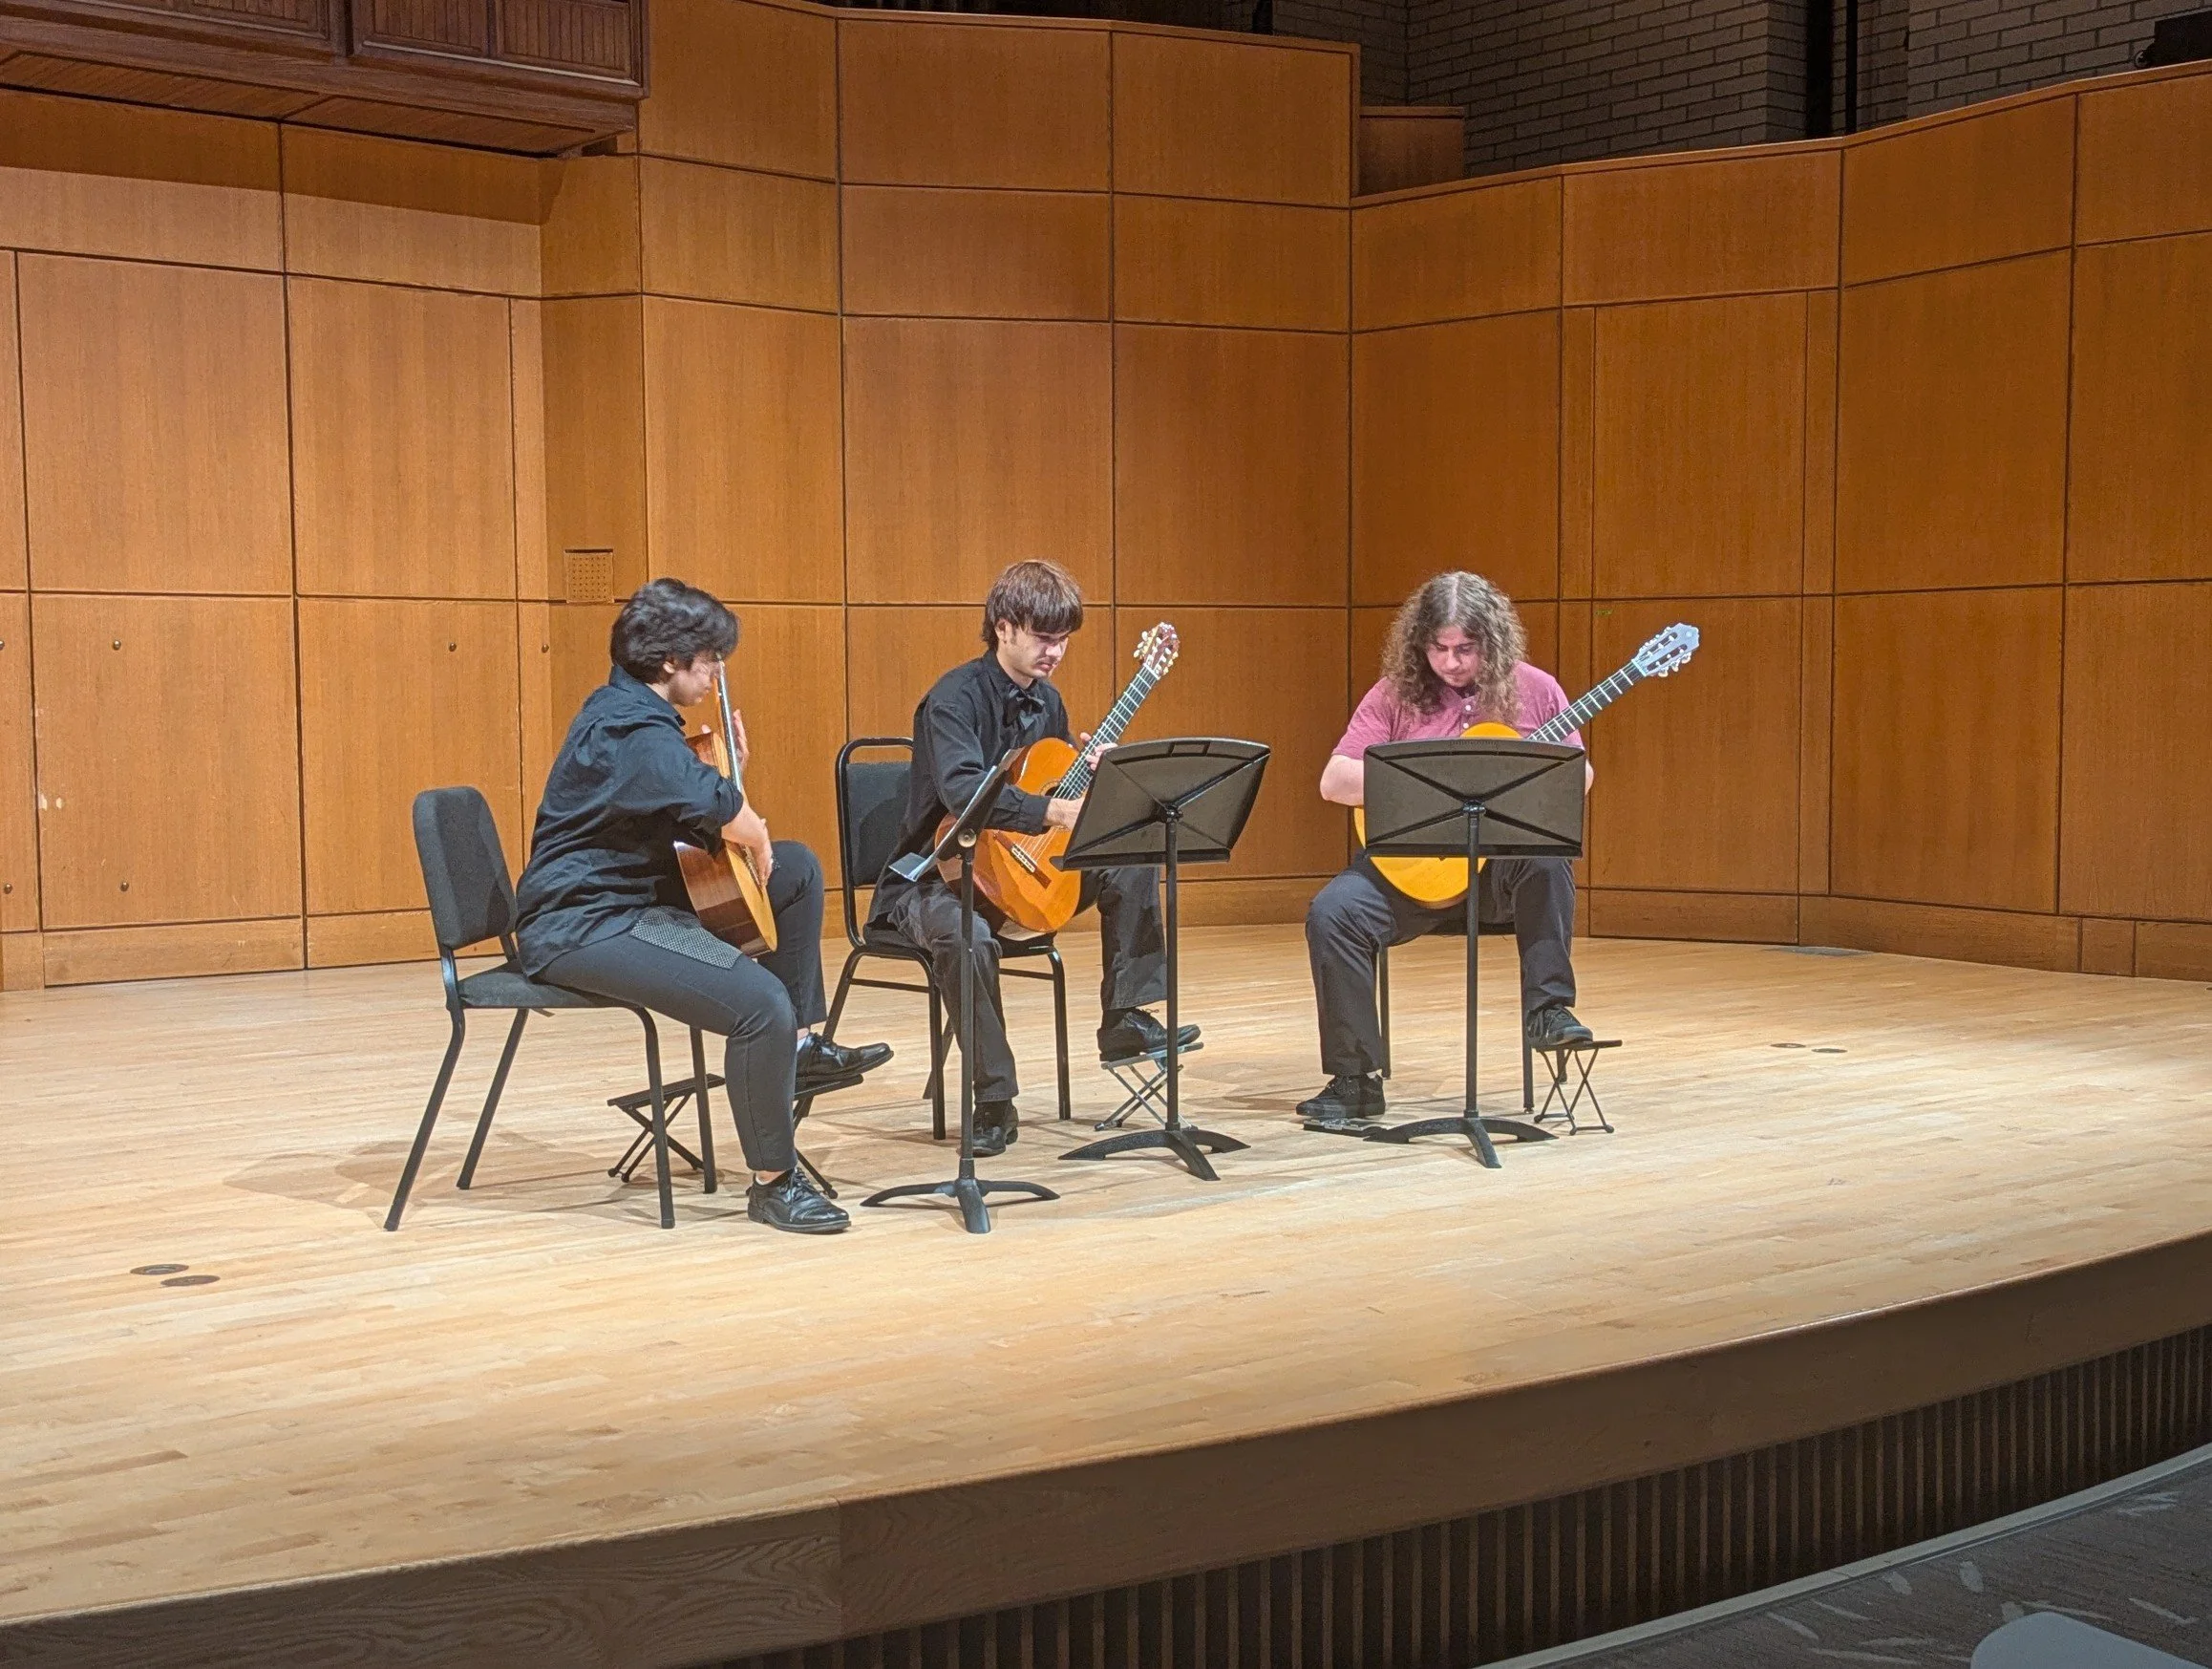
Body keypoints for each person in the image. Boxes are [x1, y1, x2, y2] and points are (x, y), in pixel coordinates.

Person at [515, 578, 890, 1233]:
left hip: (633, 896)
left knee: (797, 871)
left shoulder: (635, 714)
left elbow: (696, 808)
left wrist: (734, 788)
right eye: (709, 659)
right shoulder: (630, 729)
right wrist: (749, 817)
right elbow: (726, 815)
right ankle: (774, 1184)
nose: (717, 673)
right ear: (670, 661)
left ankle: (798, 1049)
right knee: (756, 1005)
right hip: (584, 923)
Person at [869, 559, 1193, 1157]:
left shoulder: (1049, 702)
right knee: (967, 936)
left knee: (1133, 853)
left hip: (1022, 872)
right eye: (1045, 638)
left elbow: (1056, 788)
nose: (1056, 652)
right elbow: (965, 795)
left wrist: (1093, 777)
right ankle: (994, 1095)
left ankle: (1124, 1017)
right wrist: (1051, 813)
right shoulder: (951, 700)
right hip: (934, 878)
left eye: (1064, 640)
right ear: (1004, 627)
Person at [1298, 570, 1593, 1124]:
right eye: (1440, 649)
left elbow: (1579, 780)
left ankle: (1549, 1011)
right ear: (1420, 644)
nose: (1452, 662)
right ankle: (1355, 1078)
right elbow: (1334, 781)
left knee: (1547, 856)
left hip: (1499, 878)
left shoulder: (1536, 689)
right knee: (1332, 913)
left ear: (1494, 642)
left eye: (1466, 649)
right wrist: (1430, 782)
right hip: (1410, 874)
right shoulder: (1394, 695)